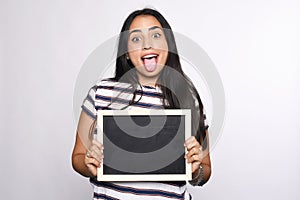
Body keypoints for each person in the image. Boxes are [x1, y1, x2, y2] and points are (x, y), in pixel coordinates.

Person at [72, 8, 211, 200]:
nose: (147, 45)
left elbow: (205, 171)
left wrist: (196, 171)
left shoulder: (188, 99)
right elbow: (77, 157)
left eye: (155, 35)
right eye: (136, 39)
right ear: (127, 53)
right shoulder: (100, 94)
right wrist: (89, 165)